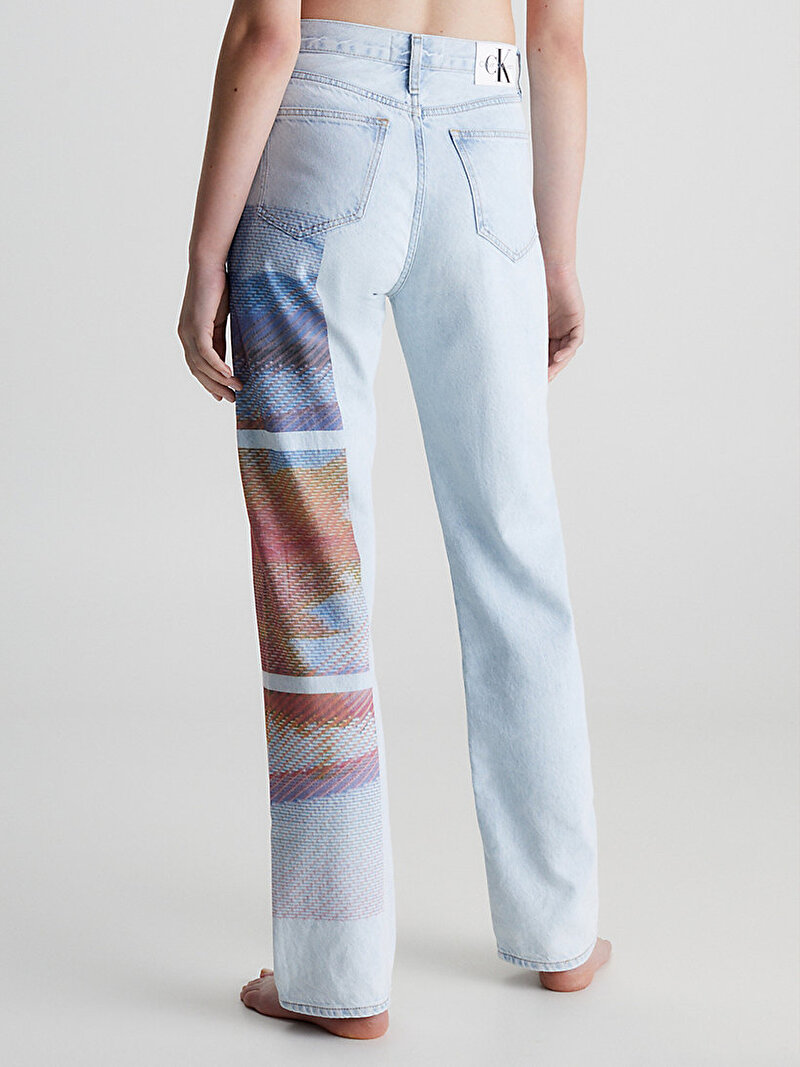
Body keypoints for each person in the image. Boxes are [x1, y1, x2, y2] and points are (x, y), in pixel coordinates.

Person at [177, 0, 611, 1041]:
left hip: (320, 135)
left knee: (314, 563)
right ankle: (560, 928)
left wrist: (204, 252)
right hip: (489, 142)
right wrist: (555, 255)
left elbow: (266, 34)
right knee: (515, 545)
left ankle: (336, 973)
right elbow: (556, 42)